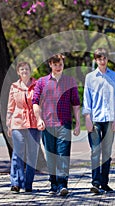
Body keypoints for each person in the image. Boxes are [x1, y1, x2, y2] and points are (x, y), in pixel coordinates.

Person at [32, 54, 80, 196]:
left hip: (64, 124)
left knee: (63, 154)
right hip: (47, 124)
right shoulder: (41, 82)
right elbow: (35, 102)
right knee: (51, 155)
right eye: (55, 64)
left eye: (60, 64)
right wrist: (38, 119)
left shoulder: (70, 81)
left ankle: (62, 184)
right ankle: (53, 183)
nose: (58, 67)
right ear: (50, 65)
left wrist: (77, 123)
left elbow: (76, 104)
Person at [82, 48, 115, 194]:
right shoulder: (90, 77)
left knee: (106, 153)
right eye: (99, 58)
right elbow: (86, 100)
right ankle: (95, 182)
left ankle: (104, 183)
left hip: (110, 119)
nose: (102, 60)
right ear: (96, 60)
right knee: (95, 151)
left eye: (104, 57)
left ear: (107, 59)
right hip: (95, 120)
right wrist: (87, 118)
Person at [6, 61, 41, 193]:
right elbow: (10, 107)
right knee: (17, 153)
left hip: (33, 122)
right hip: (18, 122)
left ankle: (28, 183)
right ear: (18, 72)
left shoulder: (37, 85)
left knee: (32, 155)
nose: (24, 71)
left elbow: (40, 103)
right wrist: (9, 124)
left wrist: (41, 119)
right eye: (22, 70)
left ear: (30, 71)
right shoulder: (14, 86)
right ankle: (16, 183)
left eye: (26, 69)